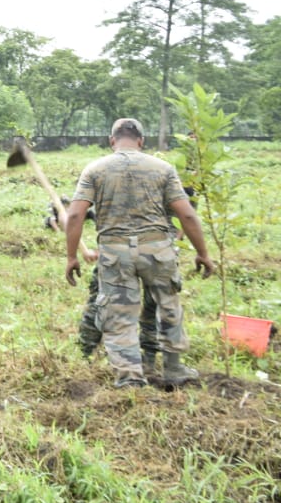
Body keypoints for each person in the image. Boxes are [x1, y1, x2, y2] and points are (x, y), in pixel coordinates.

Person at [66, 117, 214, 388]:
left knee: (120, 313)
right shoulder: (163, 168)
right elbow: (187, 215)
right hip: (157, 249)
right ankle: (173, 368)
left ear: (112, 140)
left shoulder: (95, 169)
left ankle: (130, 377)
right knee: (168, 306)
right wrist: (203, 252)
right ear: (141, 141)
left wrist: (71, 256)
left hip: (115, 252)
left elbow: (75, 214)